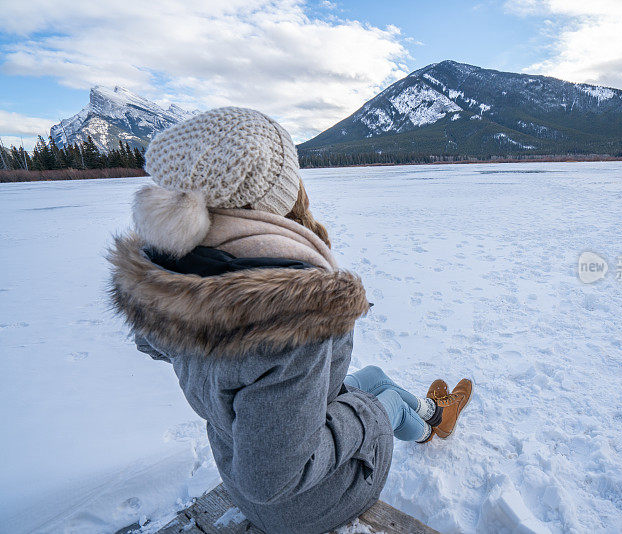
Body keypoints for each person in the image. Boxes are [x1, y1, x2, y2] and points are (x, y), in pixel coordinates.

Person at [108, 107, 472, 534]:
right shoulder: (289, 312)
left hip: (238, 462)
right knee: (380, 400)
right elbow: (272, 480)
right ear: (275, 194)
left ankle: (433, 420)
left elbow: (199, 361)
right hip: (303, 507)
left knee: (371, 375)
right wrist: (370, 412)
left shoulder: (176, 282)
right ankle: (423, 420)